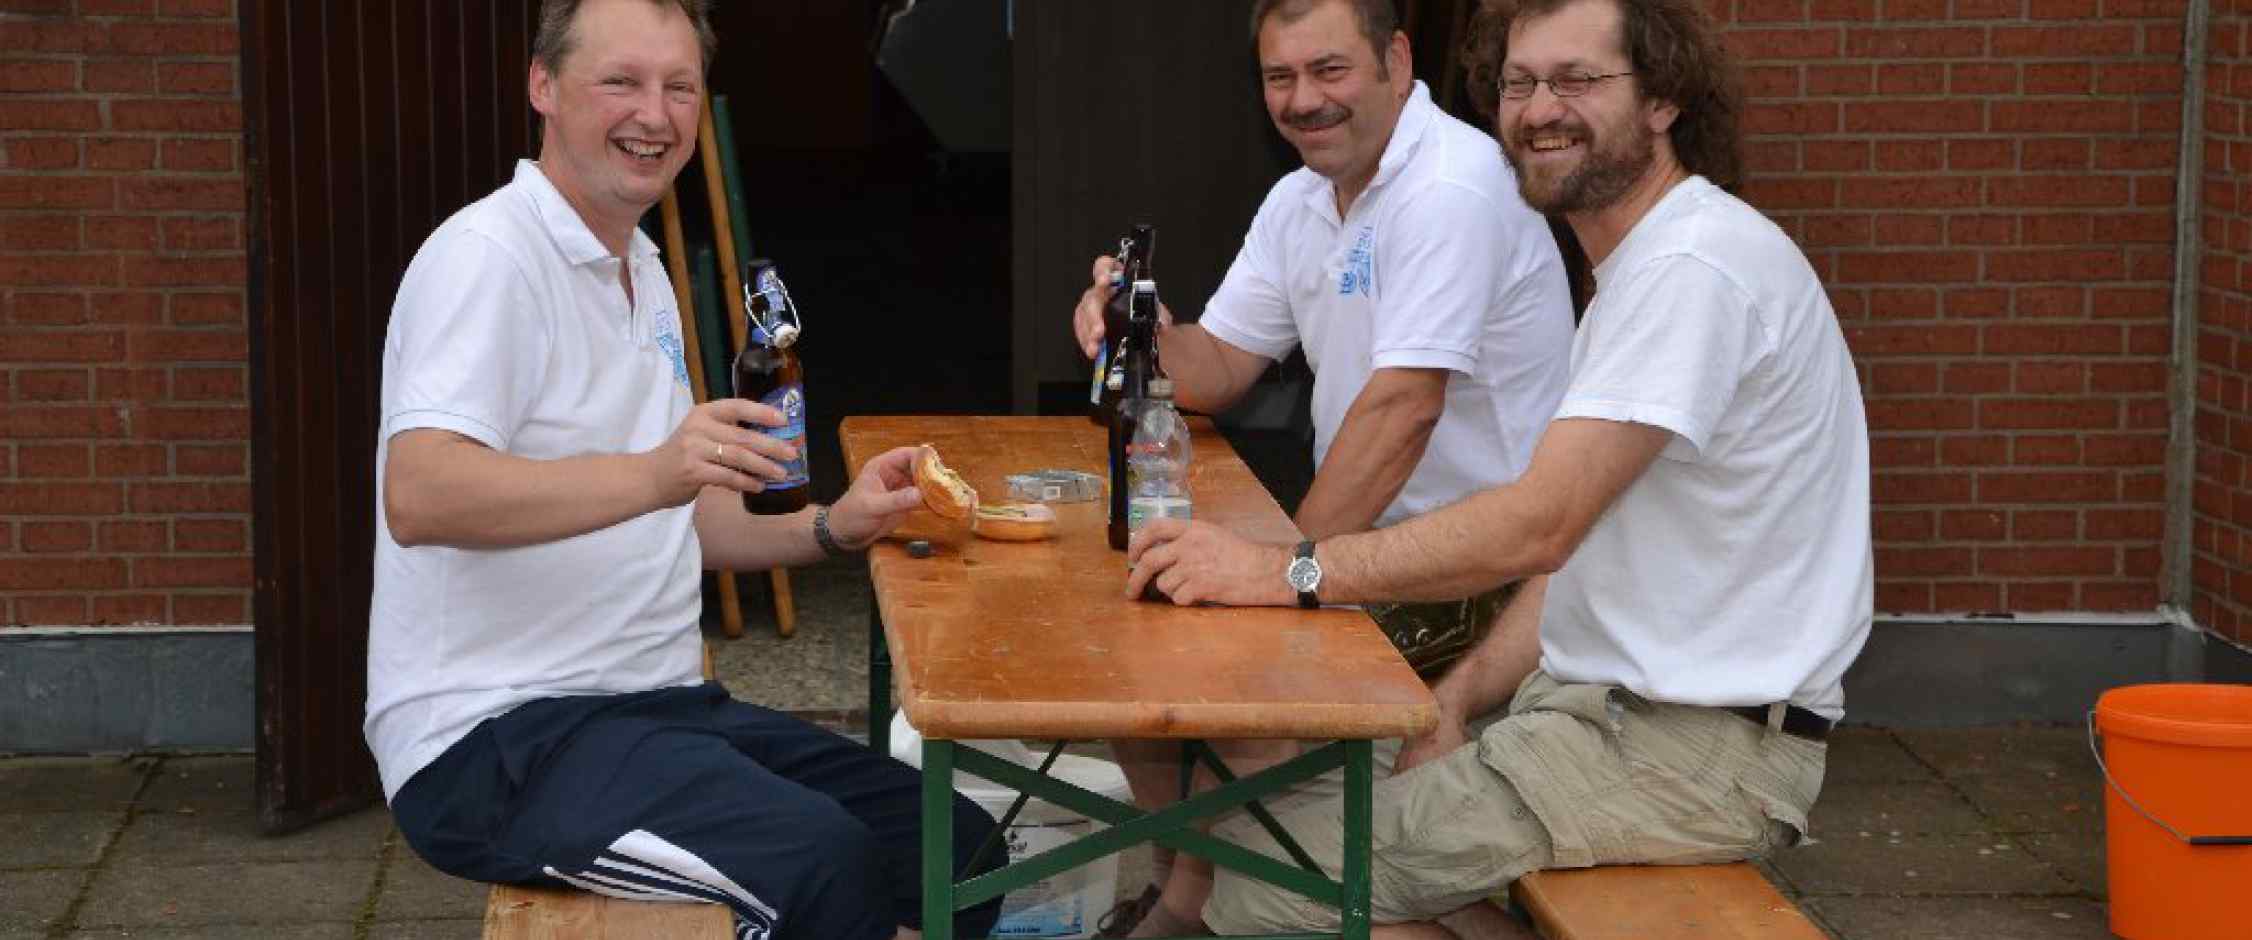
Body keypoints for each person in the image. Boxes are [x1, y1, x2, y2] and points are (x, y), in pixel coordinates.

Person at [1122, 0, 1873, 935]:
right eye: (1520, 84)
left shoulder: (1691, 269)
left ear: (1664, 99)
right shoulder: (1645, 265)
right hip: (1599, 720)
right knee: (1260, 812)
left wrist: (1287, 571)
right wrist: (1459, 697)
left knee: (1256, 879)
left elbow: (1538, 526)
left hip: (1688, 755)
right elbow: (1580, 550)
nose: (1540, 109)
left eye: (1578, 80)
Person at [364, 2, 1002, 938]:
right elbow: (420, 494)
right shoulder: (488, 258)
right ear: (543, 86)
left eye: (679, 87)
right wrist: (658, 473)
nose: (654, 115)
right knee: (820, 870)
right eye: (620, 81)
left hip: (659, 710)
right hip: (496, 740)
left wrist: (834, 525)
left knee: (958, 850)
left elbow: (684, 517)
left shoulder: (643, 265)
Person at [1073, 0, 1573, 931]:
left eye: (1329, 69)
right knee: (1139, 666)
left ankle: (1194, 906)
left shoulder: (1450, 187)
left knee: (1230, 705)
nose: (1303, 99)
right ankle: (1191, 893)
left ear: (1397, 60)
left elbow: (1404, 409)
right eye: (1280, 77)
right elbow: (1219, 368)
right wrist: (1137, 330)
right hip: (1379, 554)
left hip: (1486, 577)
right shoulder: (1302, 197)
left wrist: (1278, 573)